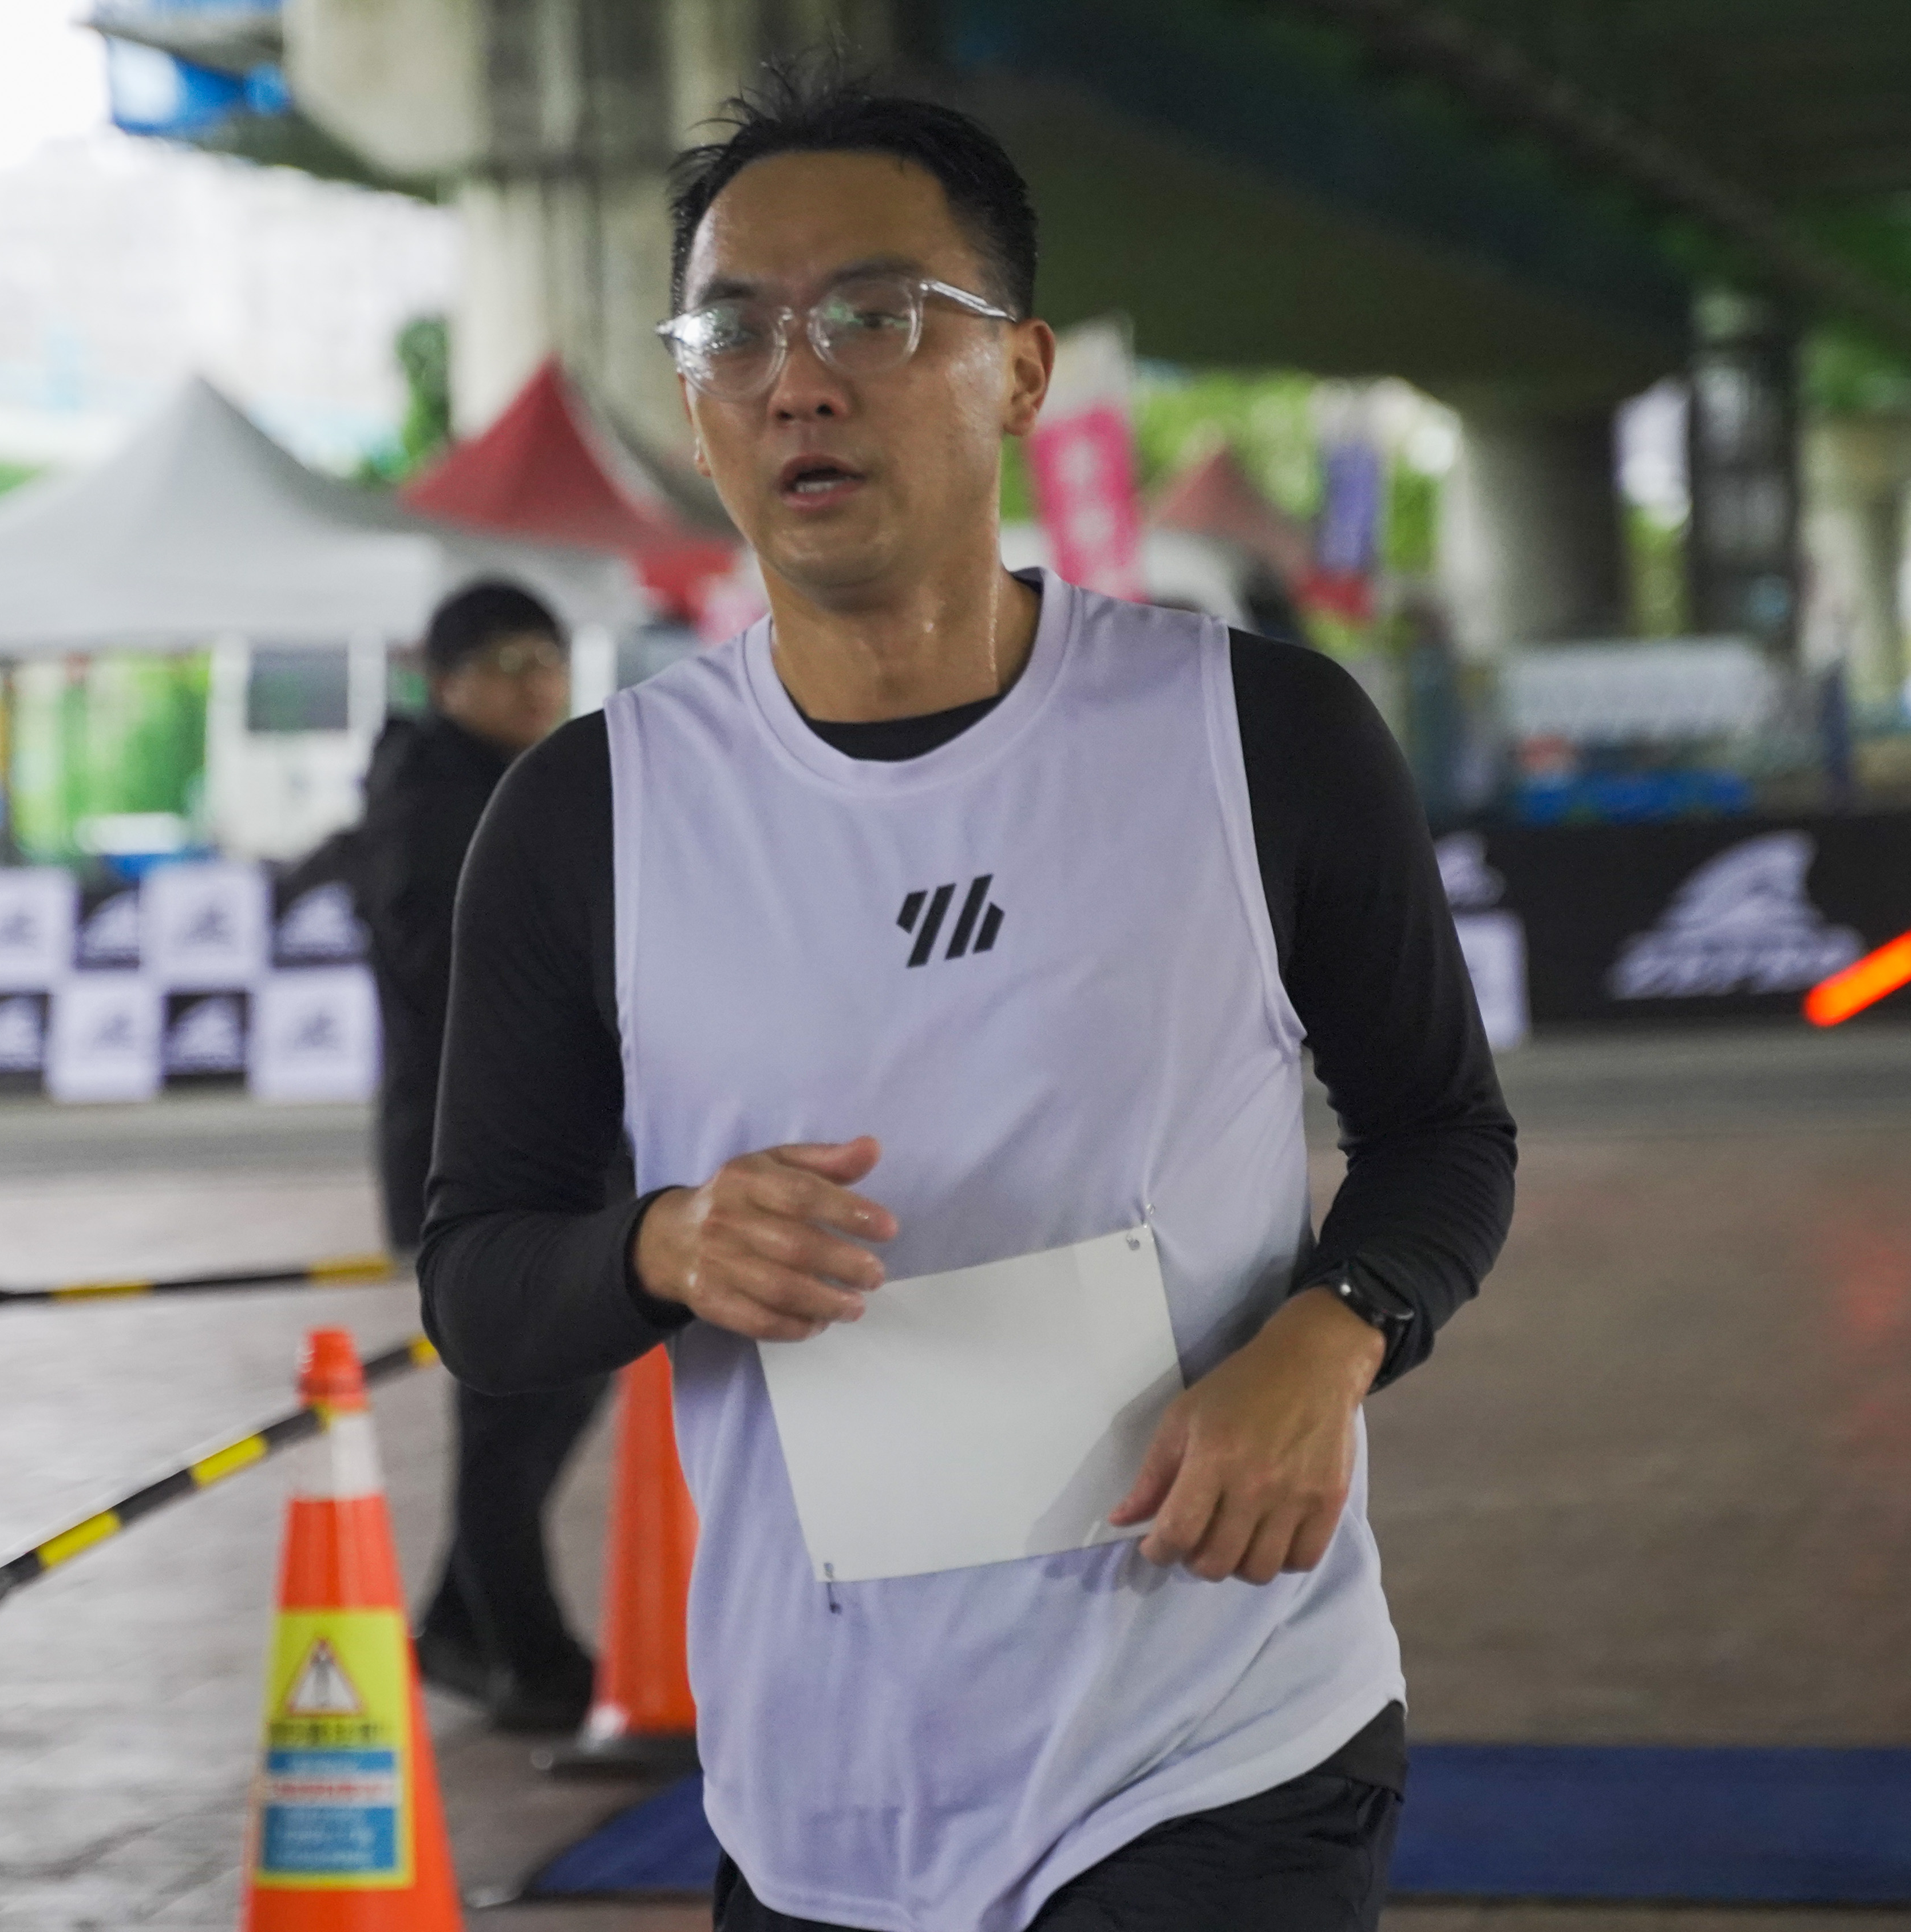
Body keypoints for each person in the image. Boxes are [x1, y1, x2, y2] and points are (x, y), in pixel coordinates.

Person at [418, 70, 1515, 1932]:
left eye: (873, 313)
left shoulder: (1254, 735)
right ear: (694, 400)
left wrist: (1331, 1340)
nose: (799, 379)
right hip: (819, 1787)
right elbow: (479, 1280)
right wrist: (667, 1245)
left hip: (1219, 1735)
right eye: (736, 331)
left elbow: (1444, 1135)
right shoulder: (590, 814)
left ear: (1020, 371)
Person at [351, 578, 604, 1732]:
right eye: (507, 664)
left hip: (560, 1140)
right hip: (487, 1153)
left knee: (553, 1389)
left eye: (548, 659)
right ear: (445, 682)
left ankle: (464, 1623)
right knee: (516, 1405)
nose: (535, 683)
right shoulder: (435, 798)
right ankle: (527, 1654)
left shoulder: (520, 782)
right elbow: (447, 975)